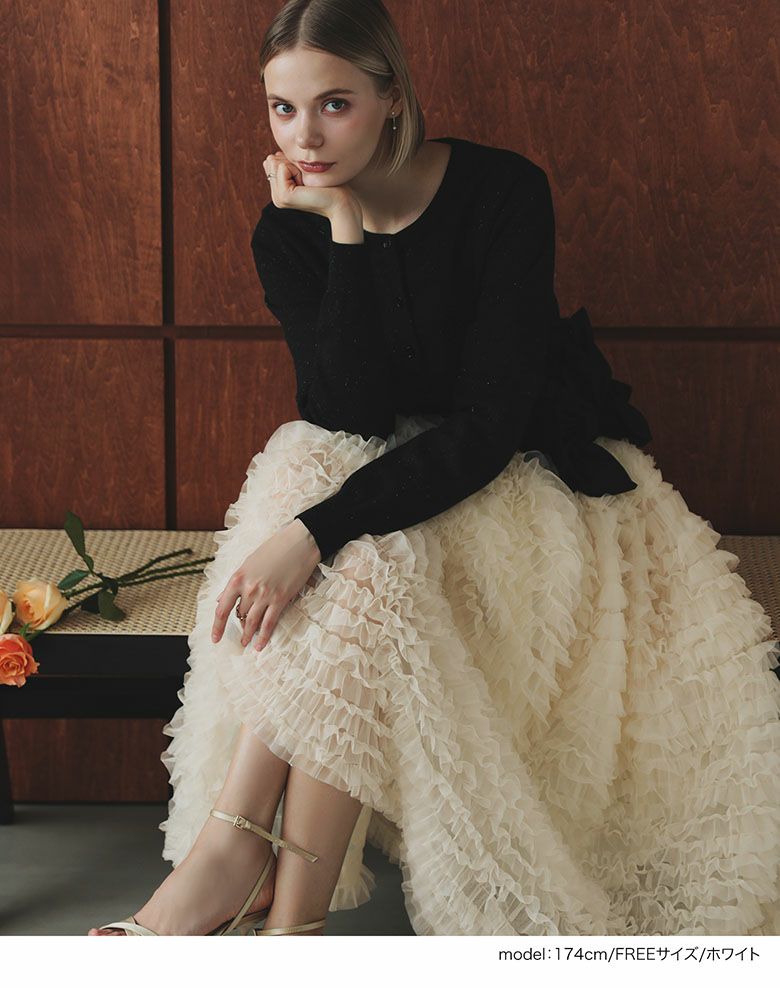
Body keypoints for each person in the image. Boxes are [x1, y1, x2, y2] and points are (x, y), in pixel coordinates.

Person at [90, 0, 780, 936]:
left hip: (524, 469)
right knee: (333, 506)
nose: (305, 137)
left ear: (392, 98)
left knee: (350, 551)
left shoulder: (502, 192)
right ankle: (282, 911)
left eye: (335, 104)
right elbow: (350, 412)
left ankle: (242, 867)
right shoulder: (288, 227)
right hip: (382, 460)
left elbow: (491, 425)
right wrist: (341, 227)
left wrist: (313, 534)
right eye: (283, 109)